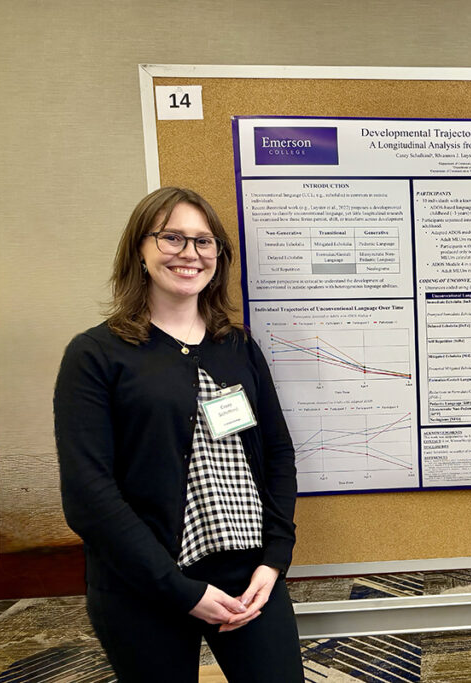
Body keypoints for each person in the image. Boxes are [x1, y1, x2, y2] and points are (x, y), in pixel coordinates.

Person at [54, 187, 304, 682]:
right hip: (143, 583)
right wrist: (180, 589)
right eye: (172, 238)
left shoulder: (237, 347)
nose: (190, 254)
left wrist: (273, 561)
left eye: (204, 242)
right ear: (139, 251)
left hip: (248, 575)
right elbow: (88, 496)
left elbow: (277, 454)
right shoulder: (96, 356)